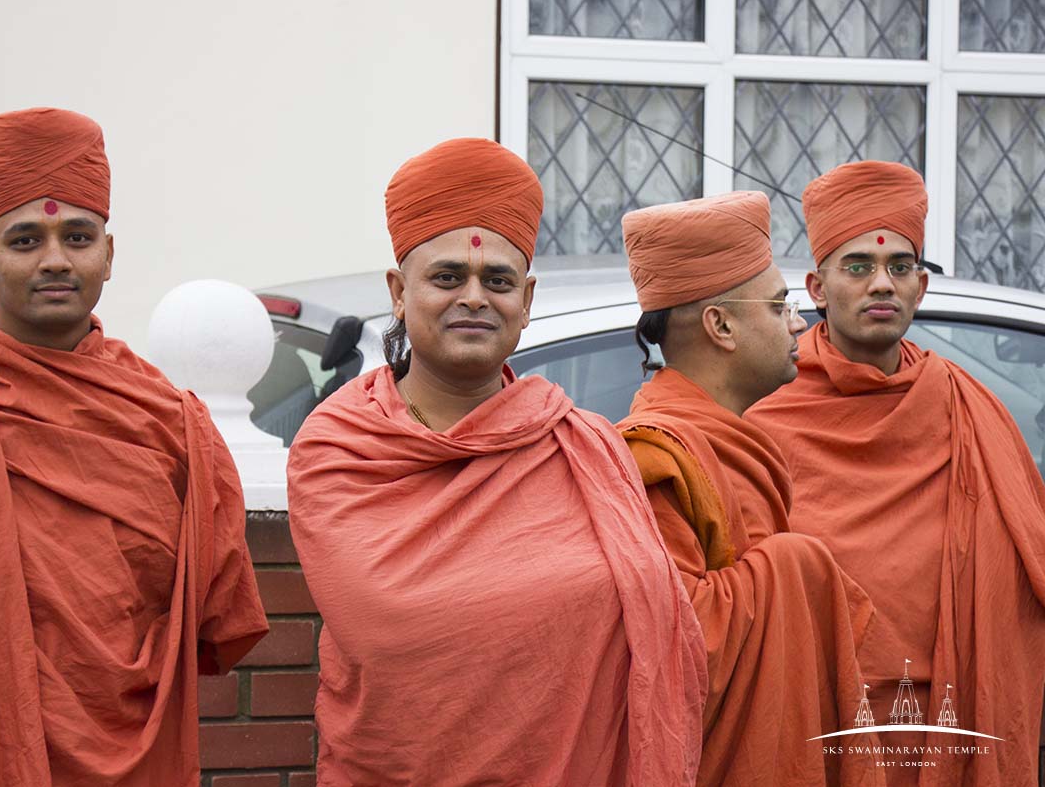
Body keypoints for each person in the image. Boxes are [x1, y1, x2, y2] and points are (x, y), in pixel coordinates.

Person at [0, 107, 268, 786]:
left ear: (109, 253)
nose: (55, 260)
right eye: (24, 240)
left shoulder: (170, 422)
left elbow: (214, 616)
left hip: (144, 755)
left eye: (77, 236)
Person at [286, 137, 707, 786]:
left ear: (527, 301)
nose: (475, 297)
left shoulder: (586, 445)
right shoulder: (341, 446)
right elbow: (389, 624)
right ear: (399, 292)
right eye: (447, 277)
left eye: (499, 281)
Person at [749, 160, 1045, 784]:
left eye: (899, 267)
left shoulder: (967, 406)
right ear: (818, 288)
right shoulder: (766, 412)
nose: (881, 283)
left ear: (921, 287)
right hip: (813, 726)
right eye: (858, 267)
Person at [614, 192, 881, 786]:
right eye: (780, 305)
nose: (799, 323)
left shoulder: (726, 437)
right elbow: (676, 646)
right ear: (721, 325)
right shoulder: (655, 457)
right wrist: (796, 568)